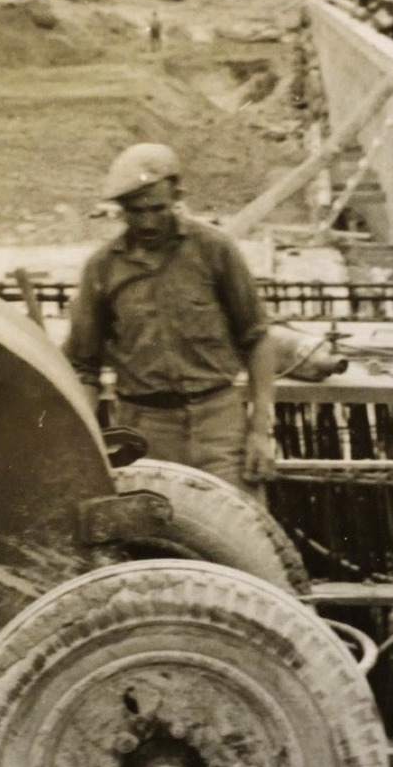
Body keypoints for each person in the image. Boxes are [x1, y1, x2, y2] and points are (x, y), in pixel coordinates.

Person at [66, 143, 278, 501]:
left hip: (220, 424)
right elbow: (83, 367)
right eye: (135, 212)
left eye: (158, 209)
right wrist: (81, 444)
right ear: (119, 210)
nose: (147, 222)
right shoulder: (102, 269)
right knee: (154, 539)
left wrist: (260, 431)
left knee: (240, 534)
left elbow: (257, 337)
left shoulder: (215, 250)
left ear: (177, 196)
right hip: (143, 431)